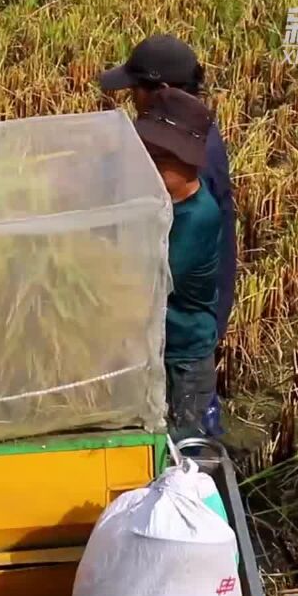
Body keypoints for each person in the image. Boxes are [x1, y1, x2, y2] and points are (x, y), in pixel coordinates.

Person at [98, 33, 234, 438]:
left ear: (162, 92)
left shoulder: (195, 175)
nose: (131, 98)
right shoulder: (182, 141)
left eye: (136, 90)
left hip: (183, 338)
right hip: (172, 331)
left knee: (188, 438)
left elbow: (152, 279)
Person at [133, 88, 221, 442]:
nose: (148, 171)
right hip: (156, 349)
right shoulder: (160, 206)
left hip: (183, 358)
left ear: (185, 164)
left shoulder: (197, 217)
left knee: (183, 444)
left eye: (158, 162)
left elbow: (149, 282)